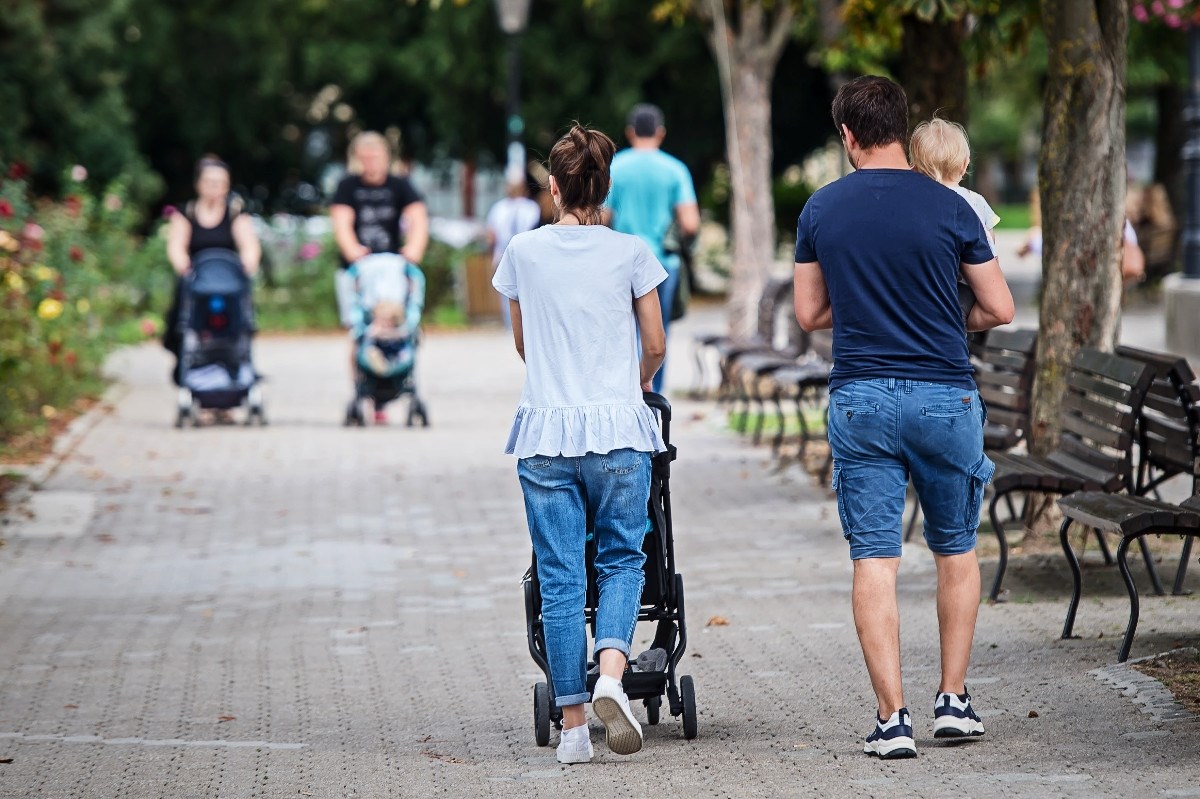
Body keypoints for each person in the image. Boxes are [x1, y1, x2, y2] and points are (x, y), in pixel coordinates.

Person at [792, 76, 1015, 760]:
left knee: (875, 558)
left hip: (861, 396)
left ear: (848, 136)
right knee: (955, 546)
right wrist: (949, 318)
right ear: (901, 126)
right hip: (945, 395)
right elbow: (999, 307)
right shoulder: (951, 207)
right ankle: (953, 698)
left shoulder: (821, 209)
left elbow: (809, 314)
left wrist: (862, 310)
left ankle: (892, 718)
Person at [492, 124, 667, 765]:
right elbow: (655, 342)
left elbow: (523, 344)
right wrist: (636, 383)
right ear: (604, 186)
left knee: (561, 575)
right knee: (624, 560)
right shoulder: (631, 253)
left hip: (544, 431)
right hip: (619, 430)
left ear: (555, 186)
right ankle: (613, 677)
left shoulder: (523, 252)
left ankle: (571, 730)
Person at [330, 132, 429, 419]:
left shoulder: (400, 186)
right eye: (365, 158)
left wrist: (413, 249)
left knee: (397, 326)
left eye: (375, 158)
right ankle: (364, 390)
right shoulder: (347, 187)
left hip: (394, 272)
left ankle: (391, 385)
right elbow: (342, 222)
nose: (370, 164)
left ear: (386, 158)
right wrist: (352, 251)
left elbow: (417, 219)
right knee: (358, 331)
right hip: (358, 273)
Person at [606, 103, 699, 393]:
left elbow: (602, 217)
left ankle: (624, 392)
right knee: (658, 332)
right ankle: (652, 393)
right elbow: (691, 222)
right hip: (662, 264)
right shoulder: (675, 170)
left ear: (630, 133)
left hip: (622, 263)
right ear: (660, 133)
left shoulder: (615, 167)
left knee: (624, 330)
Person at [164, 156, 262, 385]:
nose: (214, 187)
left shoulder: (236, 214)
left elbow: (249, 247)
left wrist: (248, 264)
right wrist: (184, 265)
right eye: (209, 182)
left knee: (237, 328)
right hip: (196, 284)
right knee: (185, 326)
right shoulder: (185, 213)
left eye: (220, 182)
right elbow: (176, 247)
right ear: (199, 184)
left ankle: (234, 380)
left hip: (228, 285)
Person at [909, 117, 1000, 325]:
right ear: (965, 164)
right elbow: (990, 244)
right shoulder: (976, 201)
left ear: (914, 168)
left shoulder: (917, 202)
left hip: (933, 285)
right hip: (968, 287)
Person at [484, 168, 542, 328]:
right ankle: (517, 326)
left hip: (514, 255)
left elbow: (491, 235)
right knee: (517, 293)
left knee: (515, 293)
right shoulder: (527, 207)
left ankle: (516, 327)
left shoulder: (505, 207)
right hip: (514, 255)